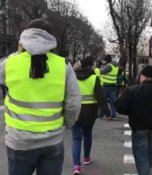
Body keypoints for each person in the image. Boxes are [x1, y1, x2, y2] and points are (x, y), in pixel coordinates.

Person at [0, 19, 81, 175]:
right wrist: (67, 124)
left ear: (24, 38)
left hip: (19, 140)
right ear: (51, 39)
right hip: (52, 140)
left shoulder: (10, 63)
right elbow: (74, 103)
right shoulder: (63, 65)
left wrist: (18, 53)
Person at [116, 65, 152, 175]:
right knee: (148, 156)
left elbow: (120, 107)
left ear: (145, 77)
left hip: (139, 128)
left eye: (141, 75)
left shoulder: (133, 90)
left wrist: (130, 110)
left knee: (141, 158)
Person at [72, 56, 111, 175]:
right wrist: (107, 113)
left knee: (76, 138)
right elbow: (101, 98)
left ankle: (76, 166)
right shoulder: (94, 78)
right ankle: (86, 158)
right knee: (87, 134)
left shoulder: (73, 77)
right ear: (89, 66)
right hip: (90, 112)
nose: (95, 66)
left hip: (75, 111)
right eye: (94, 64)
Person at [99, 55, 119, 120]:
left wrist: (102, 66)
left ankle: (101, 114)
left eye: (105, 60)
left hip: (106, 86)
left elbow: (102, 72)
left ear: (107, 60)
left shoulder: (109, 66)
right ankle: (114, 115)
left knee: (103, 101)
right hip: (113, 85)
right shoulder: (115, 65)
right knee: (112, 101)